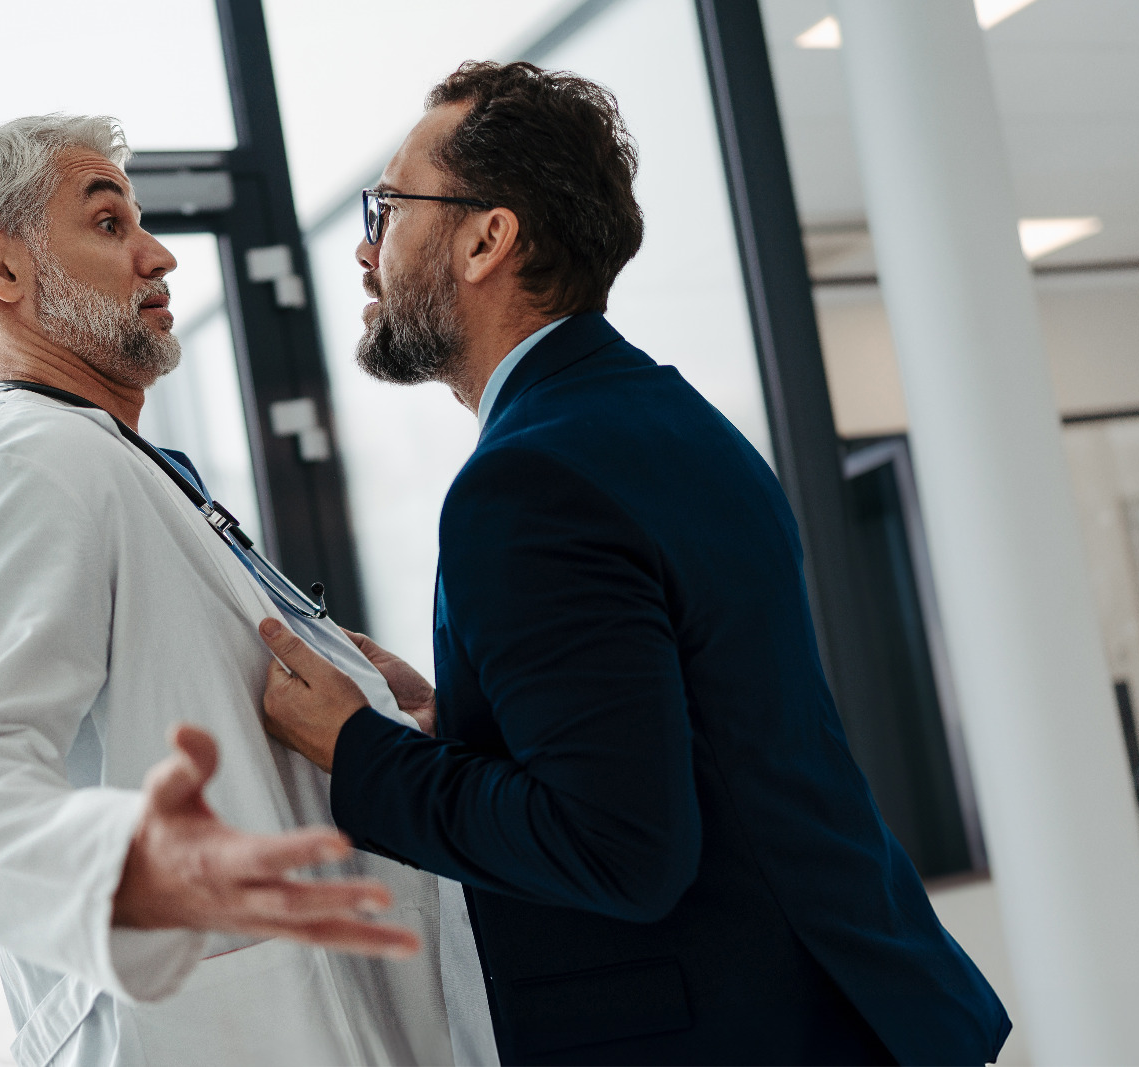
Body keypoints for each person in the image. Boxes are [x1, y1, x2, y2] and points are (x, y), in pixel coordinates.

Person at [257, 62, 1014, 1065]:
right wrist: (458, 724)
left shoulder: (527, 482)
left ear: (489, 237)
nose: (366, 246)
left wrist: (361, 750)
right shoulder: (666, 420)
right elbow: (689, 736)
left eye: (390, 206)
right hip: (856, 1008)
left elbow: (617, 847)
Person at [0, 114, 486, 1065]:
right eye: (110, 223)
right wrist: (123, 867)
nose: (158, 255)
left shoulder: (119, 463)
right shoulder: (34, 466)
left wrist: (378, 701)